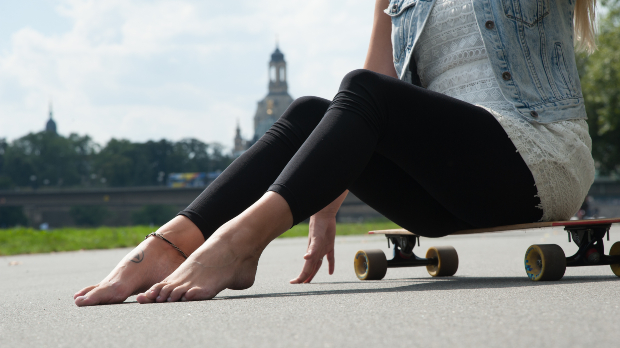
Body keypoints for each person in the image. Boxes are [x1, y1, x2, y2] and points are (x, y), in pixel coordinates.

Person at [74, 0, 597, 306]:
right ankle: (171, 244)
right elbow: (367, 100)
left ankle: (238, 241)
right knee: (307, 112)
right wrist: (321, 207)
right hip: (448, 191)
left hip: (535, 160)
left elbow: (373, 95)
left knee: (362, 88)